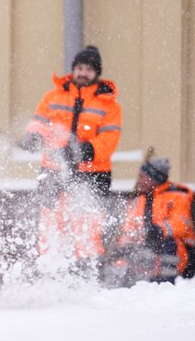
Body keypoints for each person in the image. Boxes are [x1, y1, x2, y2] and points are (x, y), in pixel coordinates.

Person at [17, 45, 122, 263]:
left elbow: (108, 142)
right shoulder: (53, 97)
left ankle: (86, 268)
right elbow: (39, 122)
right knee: (50, 222)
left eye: (89, 70)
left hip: (92, 174)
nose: (83, 73)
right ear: (73, 69)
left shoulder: (109, 106)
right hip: (53, 170)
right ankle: (50, 265)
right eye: (80, 68)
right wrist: (33, 137)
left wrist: (80, 151)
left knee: (86, 225)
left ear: (97, 74)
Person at [102, 157, 195, 287]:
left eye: (143, 177)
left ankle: (165, 285)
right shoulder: (138, 200)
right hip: (147, 252)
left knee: (167, 244)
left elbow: (182, 224)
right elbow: (128, 231)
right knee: (128, 251)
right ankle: (128, 286)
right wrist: (122, 250)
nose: (139, 181)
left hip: (178, 253)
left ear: (155, 179)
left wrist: (159, 230)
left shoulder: (177, 196)